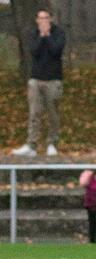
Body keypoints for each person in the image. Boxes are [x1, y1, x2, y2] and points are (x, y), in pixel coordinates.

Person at [12, 9, 66, 157]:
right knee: (34, 112)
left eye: (46, 18)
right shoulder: (33, 33)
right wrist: (41, 36)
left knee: (52, 113)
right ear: (37, 20)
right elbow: (33, 51)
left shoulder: (58, 33)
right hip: (36, 78)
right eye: (41, 18)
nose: (43, 21)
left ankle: (52, 143)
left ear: (51, 19)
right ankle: (32, 144)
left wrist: (48, 36)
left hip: (53, 79)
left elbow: (56, 51)